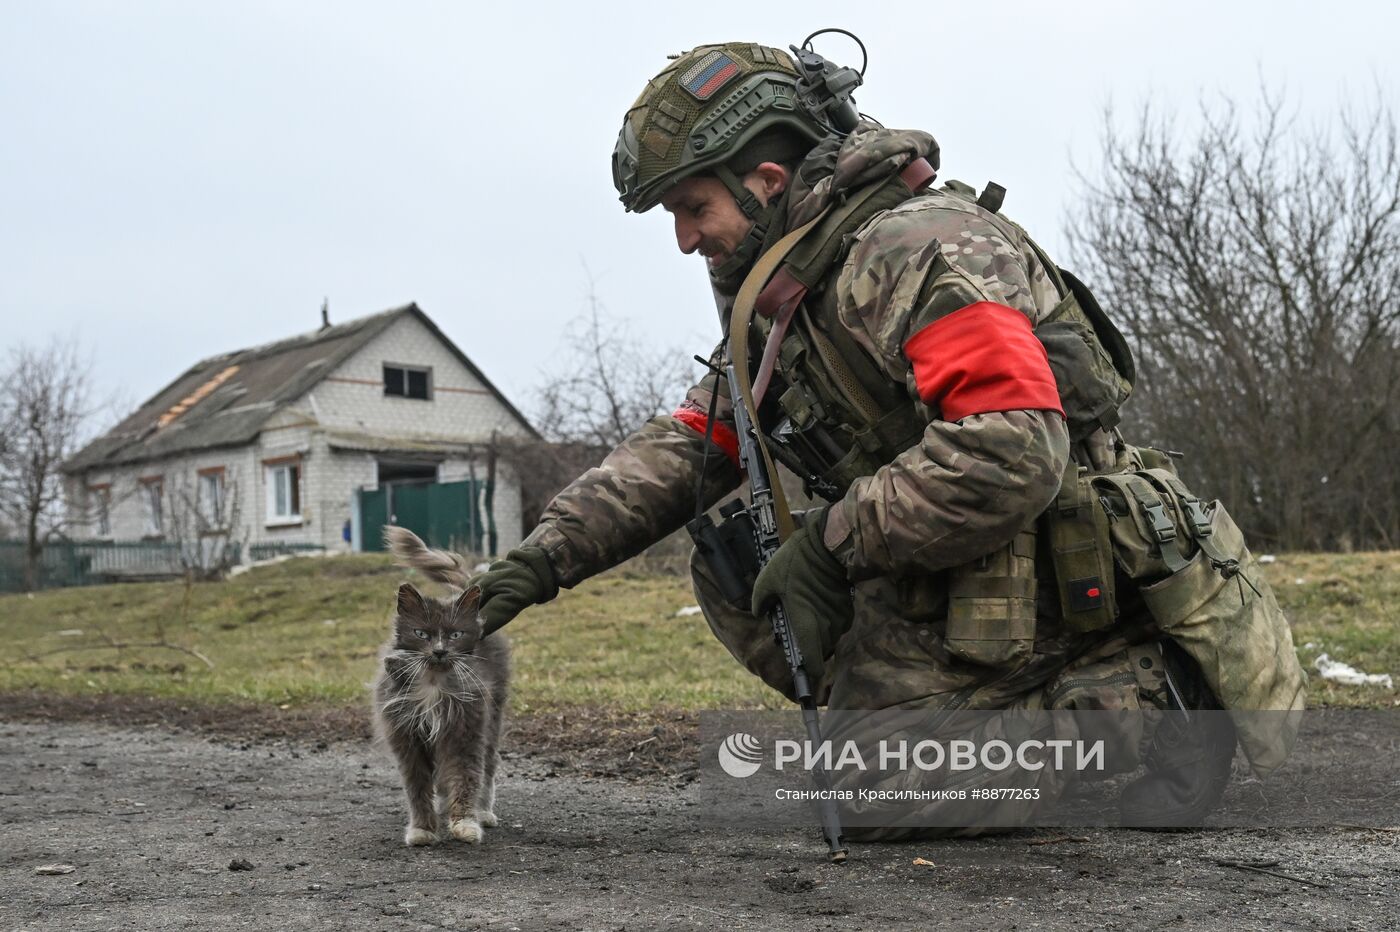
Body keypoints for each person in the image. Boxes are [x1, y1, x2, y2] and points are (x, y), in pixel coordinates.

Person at [465, 40, 1305, 837]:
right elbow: (701, 436)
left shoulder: (919, 248)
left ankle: (1163, 695)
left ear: (765, 178)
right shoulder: (794, 282)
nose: (685, 238)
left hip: (1064, 561)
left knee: (883, 796)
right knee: (735, 563)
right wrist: (541, 560)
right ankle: (916, 724)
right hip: (962, 555)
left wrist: (832, 545)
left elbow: (1011, 448)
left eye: (693, 208)